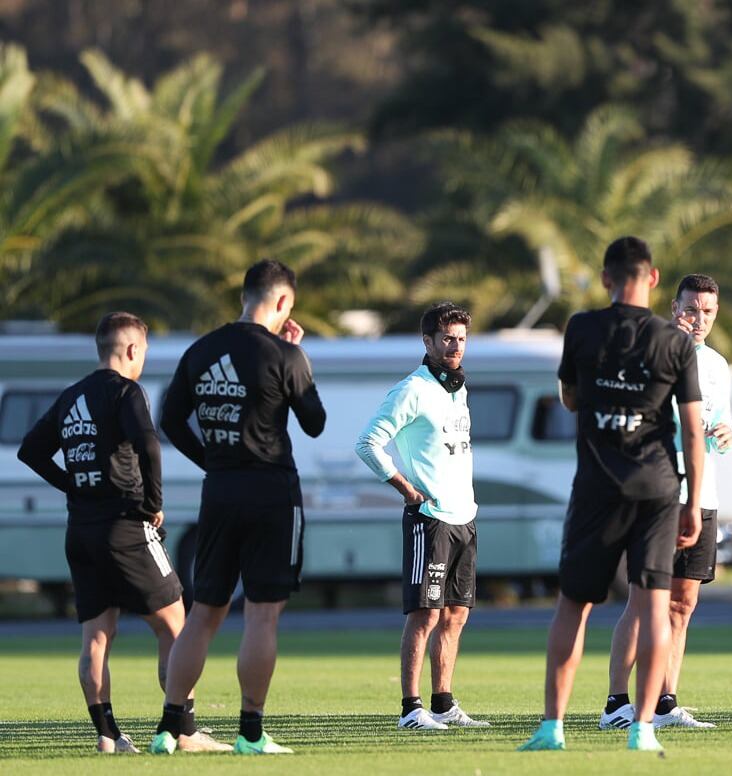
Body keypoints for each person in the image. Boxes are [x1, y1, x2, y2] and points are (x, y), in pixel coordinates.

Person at [519, 236, 705, 753]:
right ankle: (643, 728)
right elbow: (692, 429)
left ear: (605, 279)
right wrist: (693, 501)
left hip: (598, 487)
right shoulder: (676, 342)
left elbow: (570, 397)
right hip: (659, 489)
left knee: (573, 606)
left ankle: (552, 728)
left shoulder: (581, 328)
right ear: (654, 278)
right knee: (653, 608)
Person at [17, 313, 227, 753]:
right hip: (126, 526)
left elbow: (30, 450)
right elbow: (149, 445)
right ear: (131, 350)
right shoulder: (126, 392)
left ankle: (108, 736)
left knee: (96, 636)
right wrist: (154, 504)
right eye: (144, 353)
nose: (143, 361)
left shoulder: (72, 396)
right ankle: (183, 731)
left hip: (82, 531)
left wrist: (71, 483)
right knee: (176, 627)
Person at [149, 259, 326, 755]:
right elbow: (314, 422)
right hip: (271, 493)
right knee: (262, 616)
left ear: (244, 295)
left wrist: (213, 460)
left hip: (220, 492)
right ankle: (250, 733)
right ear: (284, 302)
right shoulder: (283, 353)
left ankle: (171, 727)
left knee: (203, 611)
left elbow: (171, 419)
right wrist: (297, 355)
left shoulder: (202, 349)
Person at [600, 273, 732, 731]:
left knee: (682, 604)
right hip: (658, 495)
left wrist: (727, 434)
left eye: (709, 312)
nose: (700, 320)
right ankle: (616, 704)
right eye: (692, 309)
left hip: (702, 495)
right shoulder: (647, 353)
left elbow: (711, 432)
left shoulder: (717, 366)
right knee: (643, 601)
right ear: (674, 307)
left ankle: (664, 702)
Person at [354, 302, 486, 731]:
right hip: (429, 519)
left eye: (461, 338)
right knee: (424, 615)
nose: (455, 346)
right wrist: (405, 488)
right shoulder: (412, 388)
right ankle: (412, 709)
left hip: (463, 516)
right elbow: (368, 443)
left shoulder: (457, 388)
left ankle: (443, 703)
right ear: (427, 341)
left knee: (456, 615)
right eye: (447, 338)